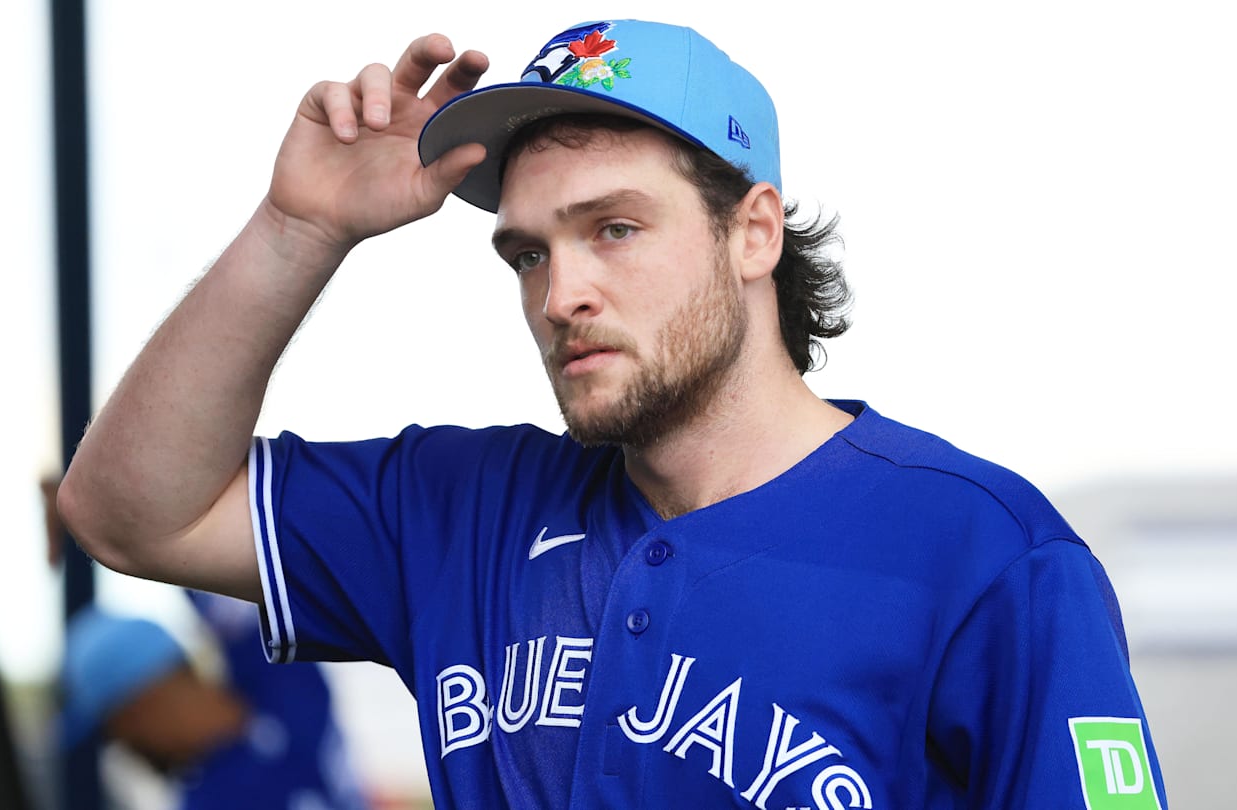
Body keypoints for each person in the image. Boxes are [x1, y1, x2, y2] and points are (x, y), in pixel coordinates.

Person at [59, 18, 1167, 809]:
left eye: (615, 230)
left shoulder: (986, 553)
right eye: (529, 251)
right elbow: (129, 514)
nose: (560, 293)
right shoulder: (462, 513)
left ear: (753, 233)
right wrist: (299, 230)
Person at [47, 477, 371, 810]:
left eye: (115, 732)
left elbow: (195, 551)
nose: (128, 749)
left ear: (137, 708)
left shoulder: (273, 678)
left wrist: (87, 514)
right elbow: (195, 554)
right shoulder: (280, 681)